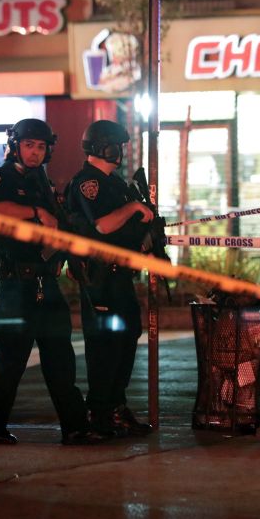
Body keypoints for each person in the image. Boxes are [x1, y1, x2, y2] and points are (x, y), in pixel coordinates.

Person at [0, 118, 105, 446]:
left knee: (60, 357)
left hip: (45, 282)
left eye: (41, 147)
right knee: (11, 360)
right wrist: (37, 212)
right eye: (29, 145)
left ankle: (75, 427)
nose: (35, 152)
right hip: (15, 283)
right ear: (16, 145)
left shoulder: (41, 181)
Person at [66, 119, 154, 437]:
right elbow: (103, 225)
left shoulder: (114, 182)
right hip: (100, 277)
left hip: (120, 275)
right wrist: (133, 207)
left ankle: (115, 407)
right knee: (104, 346)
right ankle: (100, 412)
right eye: (115, 145)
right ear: (101, 146)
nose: (120, 152)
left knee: (127, 336)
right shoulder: (88, 182)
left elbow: (130, 229)